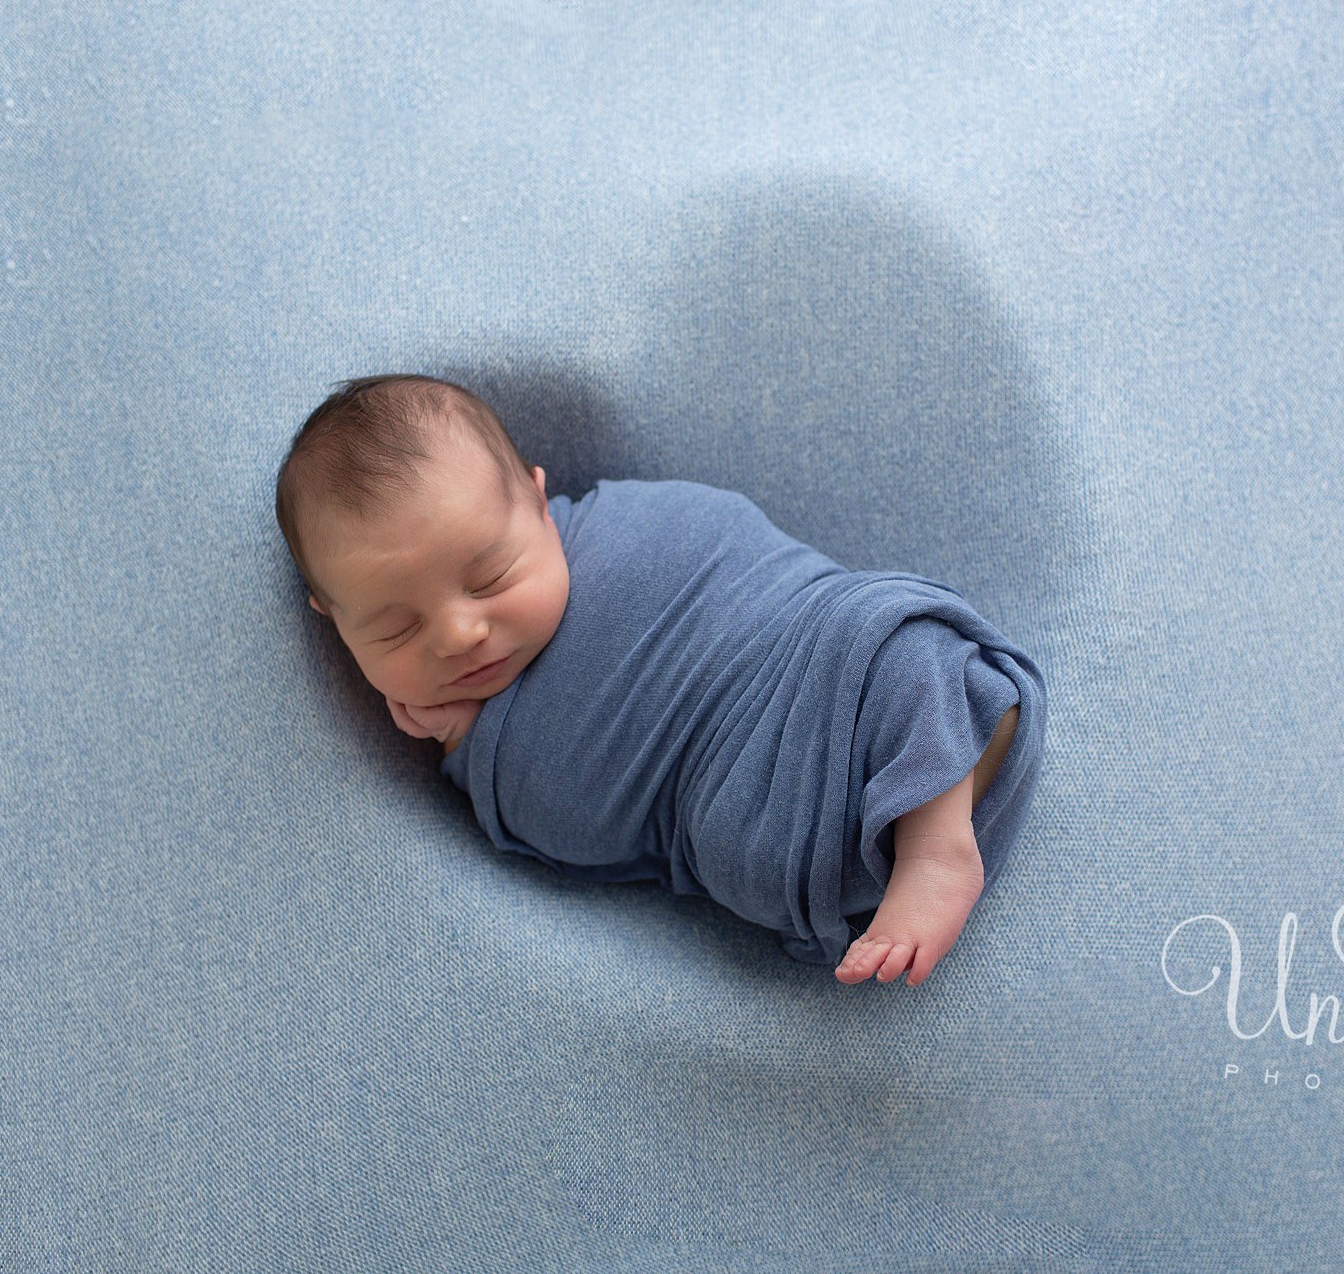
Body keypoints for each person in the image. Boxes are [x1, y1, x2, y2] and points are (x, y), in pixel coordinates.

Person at [275, 374, 1040, 987]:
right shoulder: (475, 745)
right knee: (741, 847)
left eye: (491, 574)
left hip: (832, 661)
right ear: (332, 619)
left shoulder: (614, 520)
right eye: (395, 629)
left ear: (542, 501)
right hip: (794, 831)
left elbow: (745, 555)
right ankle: (903, 838)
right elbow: (588, 829)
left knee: (896, 651)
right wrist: (469, 744)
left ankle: (938, 845)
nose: (460, 633)